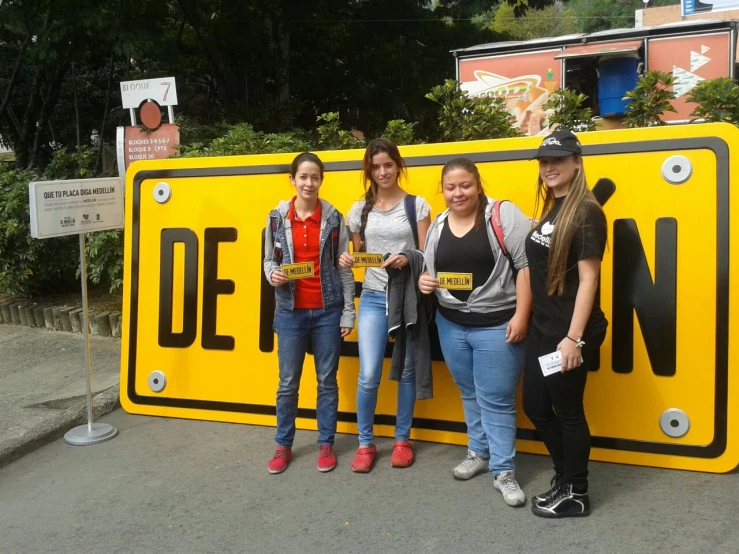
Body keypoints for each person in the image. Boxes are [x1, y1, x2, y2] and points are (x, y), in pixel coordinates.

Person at [418, 158, 531, 507]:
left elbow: (527, 268)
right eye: (450, 187)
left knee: (497, 399)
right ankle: (478, 454)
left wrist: (523, 316)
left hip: (498, 324)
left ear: (478, 184)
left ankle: (504, 471)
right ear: (443, 190)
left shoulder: (503, 215)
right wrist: (426, 282)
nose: (458, 193)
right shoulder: (437, 223)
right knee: (469, 392)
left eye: (465, 185)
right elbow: (430, 270)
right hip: (451, 325)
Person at [522, 130, 608, 518]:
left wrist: (573, 339)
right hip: (544, 328)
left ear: (577, 162)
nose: (549, 167)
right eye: (544, 161)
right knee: (536, 407)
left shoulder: (588, 211)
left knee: (568, 410)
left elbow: (590, 279)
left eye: (557, 159)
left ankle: (576, 492)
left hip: (570, 333)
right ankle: (564, 477)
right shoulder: (556, 208)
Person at [340, 138, 431, 472]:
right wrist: (348, 258)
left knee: (406, 371)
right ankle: (365, 444)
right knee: (368, 375)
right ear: (369, 170)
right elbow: (358, 254)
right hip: (374, 298)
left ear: (398, 166)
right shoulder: (357, 210)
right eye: (375, 166)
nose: (382, 172)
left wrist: (408, 259)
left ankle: (402, 440)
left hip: (407, 299)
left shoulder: (416, 206)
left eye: (388, 165)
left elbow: (426, 253)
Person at [263, 152, 356, 474]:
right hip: (290, 312)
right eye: (303, 176)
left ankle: (326, 443)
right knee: (288, 383)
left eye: (314, 176)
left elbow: (344, 269)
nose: (308, 182)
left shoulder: (333, 218)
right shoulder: (276, 217)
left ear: (321, 180)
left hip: (327, 311)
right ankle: (283, 445)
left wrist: (348, 313)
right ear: (292, 179)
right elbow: (268, 261)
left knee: (326, 381)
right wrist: (272, 275)